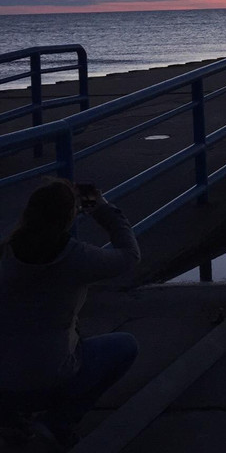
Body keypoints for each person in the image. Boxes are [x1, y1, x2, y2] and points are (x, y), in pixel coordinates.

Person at [0, 179, 140, 449]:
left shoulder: (5, 252)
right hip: (49, 380)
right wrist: (99, 208)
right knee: (124, 346)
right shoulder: (75, 258)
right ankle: (56, 424)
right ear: (69, 218)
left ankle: (10, 420)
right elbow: (129, 255)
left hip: (3, 384)